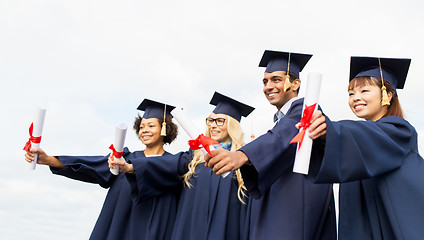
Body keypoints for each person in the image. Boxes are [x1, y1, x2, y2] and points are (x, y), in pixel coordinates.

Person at [205, 50, 337, 239]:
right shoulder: (280, 120)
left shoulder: (306, 110)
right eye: (265, 82)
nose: (268, 86)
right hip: (281, 206)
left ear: (295, 83)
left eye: (276, 79)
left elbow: (282, 136)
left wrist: (242, 155)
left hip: (297, 207)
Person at [24, 99, 182, 240]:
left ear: (164, 129)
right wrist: (49, 160)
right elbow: (91, 165)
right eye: (141, 127)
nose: (144, 130)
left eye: (151, 126)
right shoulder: (123, 159)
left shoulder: (175, 164)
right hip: (120, 231)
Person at [307, 56, 424, 240]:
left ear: (387, 95)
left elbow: (368, 135)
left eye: (364, 90)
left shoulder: (400, 131)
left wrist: (330, 130)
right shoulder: (358, 140)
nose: (356, 98)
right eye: (351, 93)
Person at [170, 91, 254, 240]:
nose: (213, 126)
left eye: (220, 121)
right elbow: (164, 164)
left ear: (232, 125)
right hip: (191, 231)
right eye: (210, 120)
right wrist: (131, 167)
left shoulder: (244, 159)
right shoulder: (194, 157)